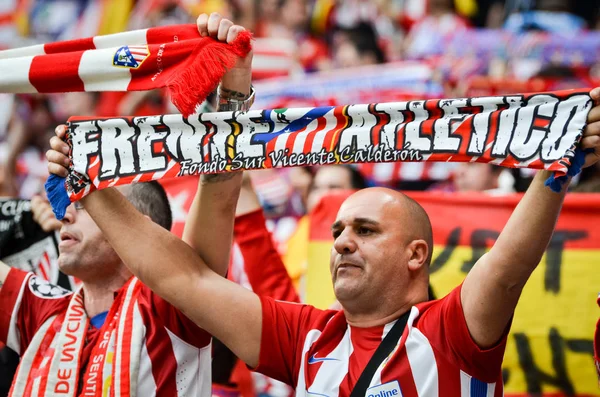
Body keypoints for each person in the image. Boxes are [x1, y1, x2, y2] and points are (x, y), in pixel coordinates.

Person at [47, 75, 600, 397]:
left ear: (417, 256)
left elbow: (508, 264)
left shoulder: (452, 331)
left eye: (364, 229)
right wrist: (88, 183)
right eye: (337, 230)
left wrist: (559, 167)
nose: (340, 242)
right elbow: (181, 274)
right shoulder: (308, 338)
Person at [0, 13, 253, 396]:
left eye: (85, 206)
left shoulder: (175, 308)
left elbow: (219, 197)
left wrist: (232, 85)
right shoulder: (43, 310)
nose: (64, 212)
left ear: (140, 226)